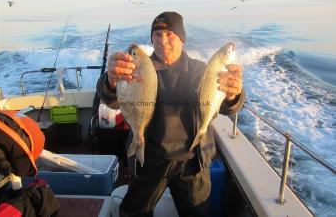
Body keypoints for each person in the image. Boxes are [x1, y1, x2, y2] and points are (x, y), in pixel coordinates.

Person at [97, 11, 245, 217]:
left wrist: (233, 94)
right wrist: (111, 80)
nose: (162, 40)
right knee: (133, 213)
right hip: (148, 159)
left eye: (170, 34)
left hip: (192, 162)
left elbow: (228, 107)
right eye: (157, 35)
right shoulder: (137, 69)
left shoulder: (200, 70)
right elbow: (112, 99)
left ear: (182, 39)